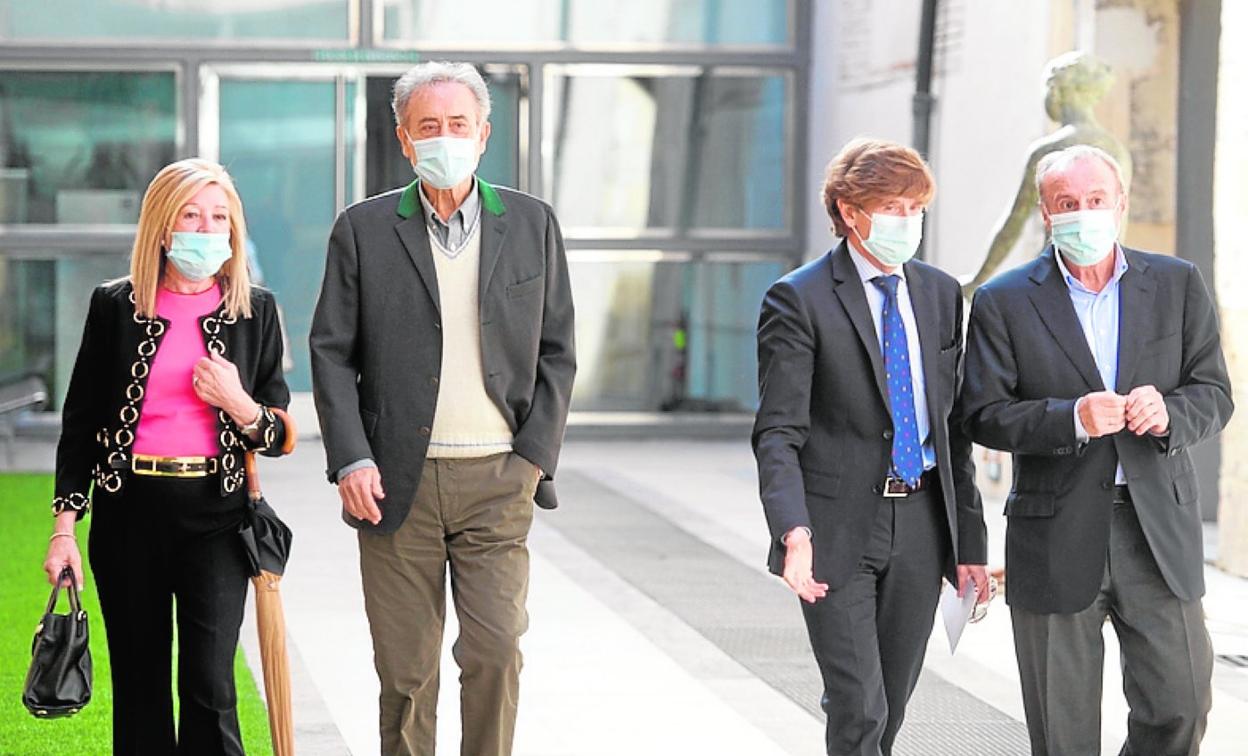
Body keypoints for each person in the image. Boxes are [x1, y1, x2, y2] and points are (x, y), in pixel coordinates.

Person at [310, 61, 575, 756]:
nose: (444, 138)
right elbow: (331, 352)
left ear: (483, 134)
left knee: (494, 653)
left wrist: (532, 459)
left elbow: (557, 352)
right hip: (394, 481)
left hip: (497, 480)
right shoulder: (362, 229)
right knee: (406, 670)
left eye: (458, 125)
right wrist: (351, 457)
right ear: (404, 139)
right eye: (429, 126)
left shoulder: (531, 224)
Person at [960, 144, 1233, 755]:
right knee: (1063, 734)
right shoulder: (1004, 300)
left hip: (1157, 530)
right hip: (1053, 533)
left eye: (1094, 200)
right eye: (1067, 204)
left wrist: (1169, 413)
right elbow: (982, 415)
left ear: (1120, 203)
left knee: (1182, 705)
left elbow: (1214, 393)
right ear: (1046, 213)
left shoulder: (1176, 283)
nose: (1082, 214)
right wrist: (1072, 418)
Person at [42, 158, 292, 754]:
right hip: (128, 515)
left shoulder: (254, 309)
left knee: (210, 685)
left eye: (219, 217)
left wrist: (239, 403)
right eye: (191, 214)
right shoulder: (114, 307)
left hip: (218, 516)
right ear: (161, 225)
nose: (206, 230)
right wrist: (64, 531)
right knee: (140, 686)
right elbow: (79, 424)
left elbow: (280, 434)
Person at [752, 138, 989, 756]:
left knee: (892, 704)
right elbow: (778, 430)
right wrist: (792, 530)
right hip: (836, 526)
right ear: (850, 211)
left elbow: (951, 427)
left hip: (920, 523)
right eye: (892, 207)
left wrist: (970, 545)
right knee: (859, 705)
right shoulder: (798, 299)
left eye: (916, 208)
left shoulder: (939, 295)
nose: (906, 222)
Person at [963, 51, 1132, 296]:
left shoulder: (1048, 151)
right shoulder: (1116, 150)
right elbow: (1120, 225)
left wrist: (979, 279)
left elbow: (1014, 222)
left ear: (1059, 91)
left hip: (1054, 280)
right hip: (1106, 281)